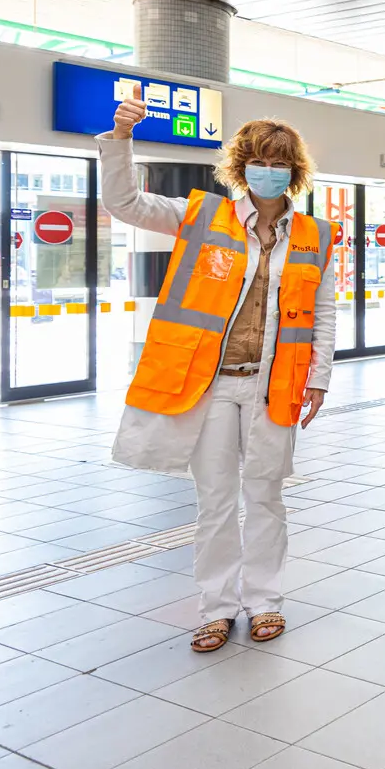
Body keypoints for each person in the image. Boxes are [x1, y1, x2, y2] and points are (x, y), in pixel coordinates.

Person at [99, 86, 335, 653]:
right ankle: (216, 607)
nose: (269, 173)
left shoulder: (314, 234)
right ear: (240, 167)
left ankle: (266, 601)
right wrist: (121, 140)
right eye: (260, 163)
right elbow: (126, 203)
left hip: (273, 385)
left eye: (280, 165)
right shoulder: (201, 214)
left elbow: (323, 310)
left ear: (295, 173)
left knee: (267, 496)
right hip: (208, 385)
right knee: (216, 500)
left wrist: (320, 376)